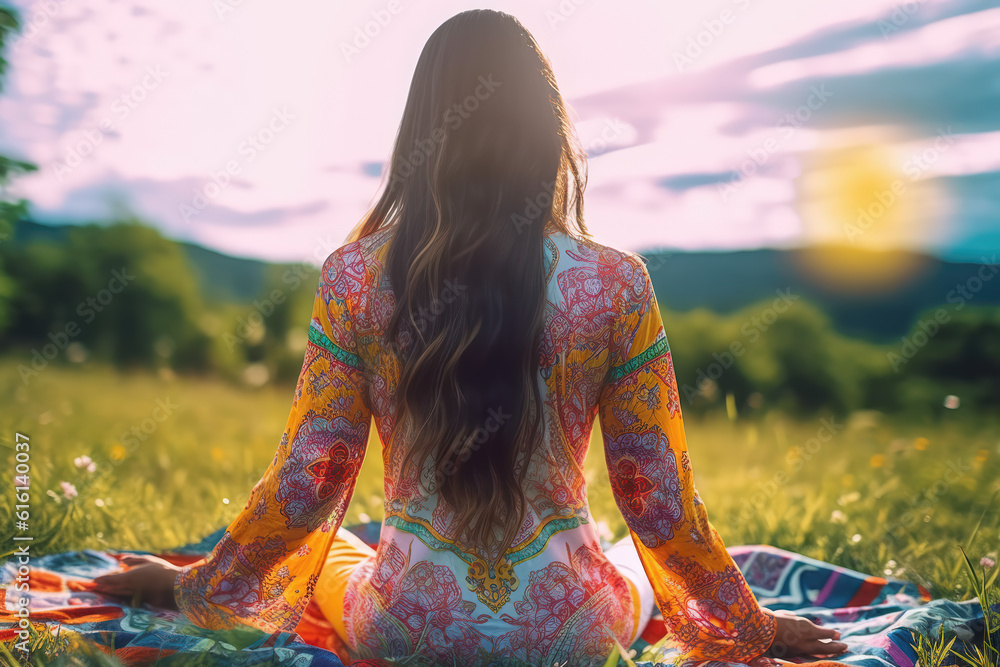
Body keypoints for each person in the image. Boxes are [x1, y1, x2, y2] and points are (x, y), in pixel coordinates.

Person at [93, 10, 847, 666]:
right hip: (575, 634)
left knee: (349, 548)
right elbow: (657, 500)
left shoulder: (353, 275)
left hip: (402, 628)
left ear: (421, 128)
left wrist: (189, 587)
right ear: (547, 128)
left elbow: (309, 479)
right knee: (631, 559)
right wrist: (751, 627)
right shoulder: (616, 283)